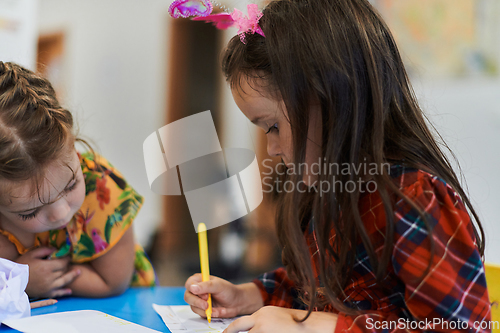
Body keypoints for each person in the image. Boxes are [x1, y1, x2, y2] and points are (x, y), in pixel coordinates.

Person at [183, 0, 492, 332]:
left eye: (273, 127)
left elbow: (459, 328)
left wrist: (319, 328)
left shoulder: (414, 199)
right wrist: (252, 295)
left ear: (330, 97)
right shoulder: (330, 187)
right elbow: (313, 288)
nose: (271, 150)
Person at [0, 61, 156, 300]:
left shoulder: (103, 187)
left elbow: (113, 282)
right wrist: (18, 282)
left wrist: (28, 279)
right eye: (30, 212)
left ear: (73, 143)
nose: (61, 213)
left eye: (71, 184)